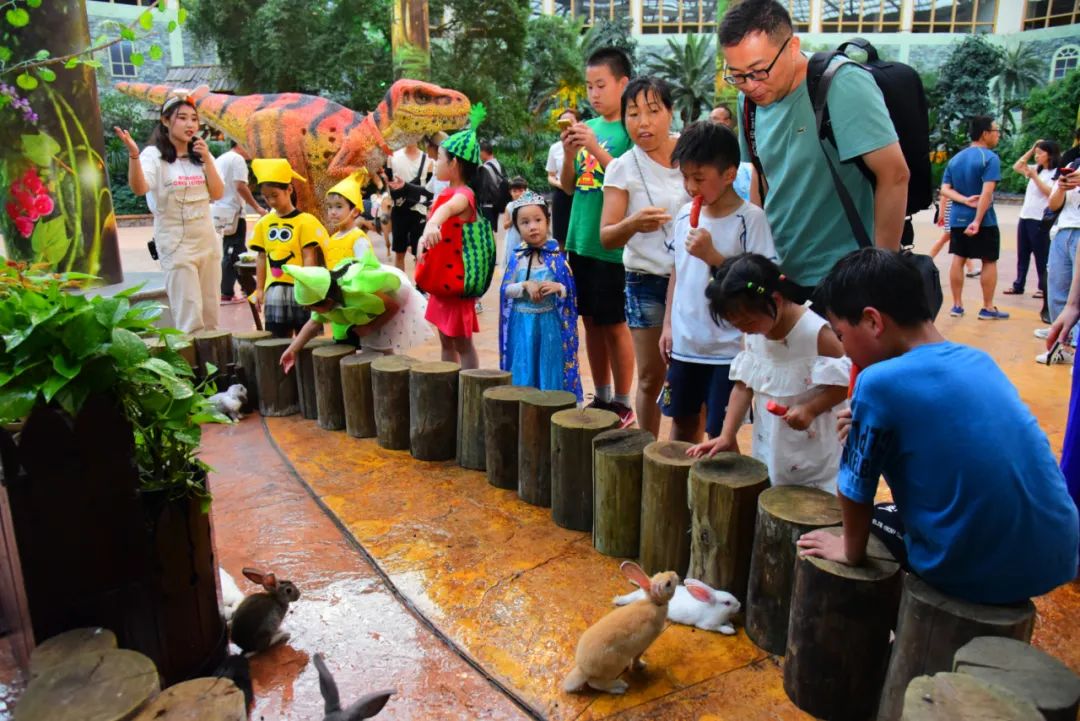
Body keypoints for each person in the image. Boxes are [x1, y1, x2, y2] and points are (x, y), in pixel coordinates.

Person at [797, 248, 1078, 605]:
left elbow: (855, 488)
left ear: (872, 321)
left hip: (968, 571)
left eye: (841, 334)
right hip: (1056, 555)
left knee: (878, 520)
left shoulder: (878, 381)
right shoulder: (978, 360)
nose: (844, 349)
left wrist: (850, 550)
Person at [719, 0, 909, 301]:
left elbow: (895, 175)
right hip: (782, 276)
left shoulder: (841, 84)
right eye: (738, 76)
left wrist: (879, 275)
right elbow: (759, 178)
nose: (750, 85)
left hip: (847, 279)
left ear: (793, 47)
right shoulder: (749, 104)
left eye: (758, 71)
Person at [688, 254, 849, 492]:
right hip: (773, 448)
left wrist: (811, 408)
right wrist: (726, 435)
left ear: (775, 299)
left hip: (817, 456)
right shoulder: (754, 335)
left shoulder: (816, 335)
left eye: (748, 322)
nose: (744, 330)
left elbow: (846, 382)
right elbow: (744, 386)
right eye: (737, 325)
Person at [660, 121, 776, 443]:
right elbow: (677, 272)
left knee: (719, 436)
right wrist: (668, 324)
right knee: (680, 428)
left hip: (729, 350)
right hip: (685, 344)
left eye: (699, 178)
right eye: (685, 177)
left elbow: (759, 283)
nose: (690, 186)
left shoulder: (750, 219)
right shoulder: (684, 215)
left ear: (728, 175)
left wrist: (714, 256)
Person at [599, 76, 688, 436]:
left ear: (671, 113)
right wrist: (633, 223)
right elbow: (607, 235)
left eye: (653, 111)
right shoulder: (622, 167)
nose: (643, 122)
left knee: (690, 375)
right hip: (647, 281)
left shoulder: (691, 154)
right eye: (633, 114)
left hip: (694, 281)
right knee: (652, 376)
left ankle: (684, 454)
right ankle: (646, 452)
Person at [559, 47, 635, 426]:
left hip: (613, 246)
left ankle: (624, 400)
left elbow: (630, 181)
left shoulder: (631, 131)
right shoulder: (589, 127)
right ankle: (602, 394)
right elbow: (570, 187)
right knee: (589, 319)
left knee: (615, 323)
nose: (594, 93)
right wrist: (570, 152)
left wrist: (592, 146)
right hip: (581, 238)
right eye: (589, 86)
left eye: (601, 85)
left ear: (623, 83)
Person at [114, 89, 226, 334]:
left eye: (194, 119)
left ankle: (219, 366)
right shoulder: (153, 156)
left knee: (211, 309)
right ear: (165, 120)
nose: (190, 124)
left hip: (206, 240)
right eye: (182, 117)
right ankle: (197, 370)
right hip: (175, 243)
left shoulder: (201, 155)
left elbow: (217, 193)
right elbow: (140, 187)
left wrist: (207, 159)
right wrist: (133, 155)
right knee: (189, 312)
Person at [416, 105, 496, 370]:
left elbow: (447, 211)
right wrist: (424, 239)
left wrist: (433, 225)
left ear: (454, 164)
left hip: (456, 284)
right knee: (445, 341)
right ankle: (446, 383)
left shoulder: (464, 195)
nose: (434, 163)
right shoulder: (446, 191)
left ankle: (469, 385)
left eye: (439, 158)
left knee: (462, 343)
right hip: (441, 283)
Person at [278, 250, 429, 370]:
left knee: (379, 345)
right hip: (367, 308)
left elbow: (392, 306)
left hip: (392, 298)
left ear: (328, 301)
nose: (311, 311)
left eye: (311, 307)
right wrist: (293, 349)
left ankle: (390, 373)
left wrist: (371, 327)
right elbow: (312, 325)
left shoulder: (359, 291)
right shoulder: (323, 292)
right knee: (368, 346)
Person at [498, 191, 581, 399]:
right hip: (522, 325)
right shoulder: (517, 258)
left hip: (549, 325)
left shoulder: (558, 257)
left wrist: (557, 288)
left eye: (538, 220)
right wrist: (524, 285)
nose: (532, 226)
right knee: (524, 365)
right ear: (516, 226)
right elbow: (505, 291)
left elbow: (569, 292)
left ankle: (550, 411)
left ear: (547, 221)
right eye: (525, 222)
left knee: (549, 365)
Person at [248, 158, 328, 338]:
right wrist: (259, 288)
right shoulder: (264, 223)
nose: (270, 201)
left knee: (307, 340)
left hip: (299, 289)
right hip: (274, 291)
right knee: (275, 341)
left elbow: (309, 256)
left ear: (289, 189)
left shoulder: (305, 221)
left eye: (274, 195)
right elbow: (261, 257)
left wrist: (309, 288)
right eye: (266, 197)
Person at [940, 116, 1007, 320]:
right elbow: (986, 193)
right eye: (996, 131)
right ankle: (987, 307)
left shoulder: (956, 159)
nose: (998, 135)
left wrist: (963, 200)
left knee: (958, 258)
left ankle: (957, 306)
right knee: (989, 260)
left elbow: (944, 189)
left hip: (958, 218)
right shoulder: (990, 158)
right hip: (984, 220)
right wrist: (977, 220)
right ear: (985, 133)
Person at [1007, 140, 1059, 326]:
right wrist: (1030, 149)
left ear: (1050, 155)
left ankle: (1041, 287)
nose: (1037, 156)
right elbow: (1017, 166)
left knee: (1041, 256)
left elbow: (1050, 193)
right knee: (1023, 253)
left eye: (1040, 153)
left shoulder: (1054, 173)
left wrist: (1034, 177)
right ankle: (1018, 284)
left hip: (1040, 219)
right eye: (1037, 153)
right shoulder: (1036, 168)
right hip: (1025, 216)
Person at [213, 141, 266, 303]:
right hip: (234, 212)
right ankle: (228, 291)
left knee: (234, 250)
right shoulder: (237, 160)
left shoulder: (221, 159)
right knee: (233, 252)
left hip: (221, 210)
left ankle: (246, 288)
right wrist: (258, 208)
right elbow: (240, 186)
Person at [1044, 158, 1080, 365]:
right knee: (1058, 290)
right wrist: (1062, 186)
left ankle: (1076, 350)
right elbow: (1054, 204)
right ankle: (1062, 347)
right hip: (1063, 230)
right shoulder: (1074, 164)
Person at [386, 143, 433, 272]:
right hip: (399, 210)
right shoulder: (393, 157)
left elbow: (429, 190)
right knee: (399, 253)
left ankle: (420, 288)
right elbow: (389, 183)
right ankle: (402, 287)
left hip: (419, 211)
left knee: (420, 252)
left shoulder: (428, 159)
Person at [321, 174, 374, 269]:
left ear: (355, 212)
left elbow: (365, 272)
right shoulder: (332, 239)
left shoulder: (358, 239)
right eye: (330, 207)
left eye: (339, 206)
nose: (333, 212)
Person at [546, 108, 579, 246]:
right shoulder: (555, 148)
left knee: (578, 236)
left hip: (581, 194)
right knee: (561, 237)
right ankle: (562, 266)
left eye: (570, 121)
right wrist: (561, 184)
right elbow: (550, 175)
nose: (566, 125)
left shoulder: (588, 145)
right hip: (561, 195)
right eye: (563, 122)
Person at [478, 142, 508, 230]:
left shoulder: (484, 168)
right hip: (497, 203)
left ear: (483, 152)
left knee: (487, 232)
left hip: (488, 205)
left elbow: (483, 188)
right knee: (493, 231)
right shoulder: (499, 164)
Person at [501, 176, 529, 268]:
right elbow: (505, 225)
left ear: (526, 191)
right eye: (515, 191)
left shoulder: (529, 205)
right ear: (510, 192)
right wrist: (513, 219)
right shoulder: (509, 206)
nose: (518, 194)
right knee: (513, 262)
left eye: (521, 190)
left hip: (526, 236)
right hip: (513, 237)